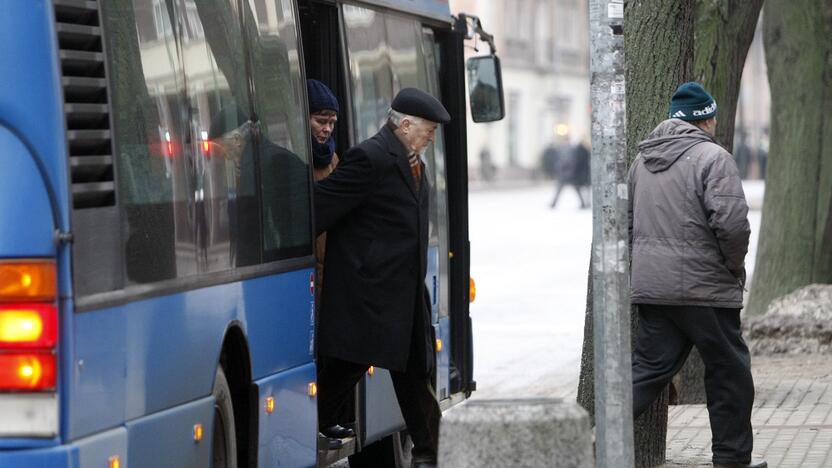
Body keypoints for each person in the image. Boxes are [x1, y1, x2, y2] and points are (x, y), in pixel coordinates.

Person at [628, 82, 766, 468]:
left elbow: (626, 224)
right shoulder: (713, 158)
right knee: (729, 374)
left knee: (646, 372)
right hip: (706, 290)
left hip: (655, 291)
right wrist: (732, 267)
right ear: (708, 118)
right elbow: (733, 226)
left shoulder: (641, 161)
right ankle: (731, 458)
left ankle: (589, 435)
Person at [314, 88, 450, 468]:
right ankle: (305, 430)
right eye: (428, 130)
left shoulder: (413, 162)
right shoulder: (369, 157)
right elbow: (320, 207)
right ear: (404, 125)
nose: (431, 137)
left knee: (414, 376)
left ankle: (431, 453)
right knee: (344, 371)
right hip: (370, 297)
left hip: (404, 297)